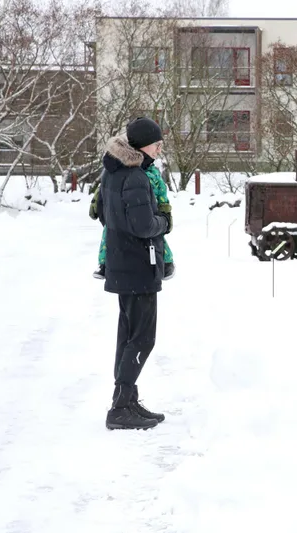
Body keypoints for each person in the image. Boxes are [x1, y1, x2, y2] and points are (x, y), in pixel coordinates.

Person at [94, 117, 173, 430]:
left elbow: (102, 213)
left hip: (121, 261)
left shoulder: (112, 172)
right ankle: (119, 408)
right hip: (138, 265)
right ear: (141, 145)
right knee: (142, 337)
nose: (159, 148)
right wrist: (163, 223)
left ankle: (126, 399)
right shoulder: (137, 177)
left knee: (128, 334)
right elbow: (144, 225)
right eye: (156, 143)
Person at [89, 158, 176, 281]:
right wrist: (96, 201)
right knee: (109, 233)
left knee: (155, 237)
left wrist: (165, 211)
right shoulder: (120, 173)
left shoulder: (154, 174)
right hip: (122, 209)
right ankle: (103, 263)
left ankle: (167, 261)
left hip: (150, 209)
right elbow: (105, 188)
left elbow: (162, 193)